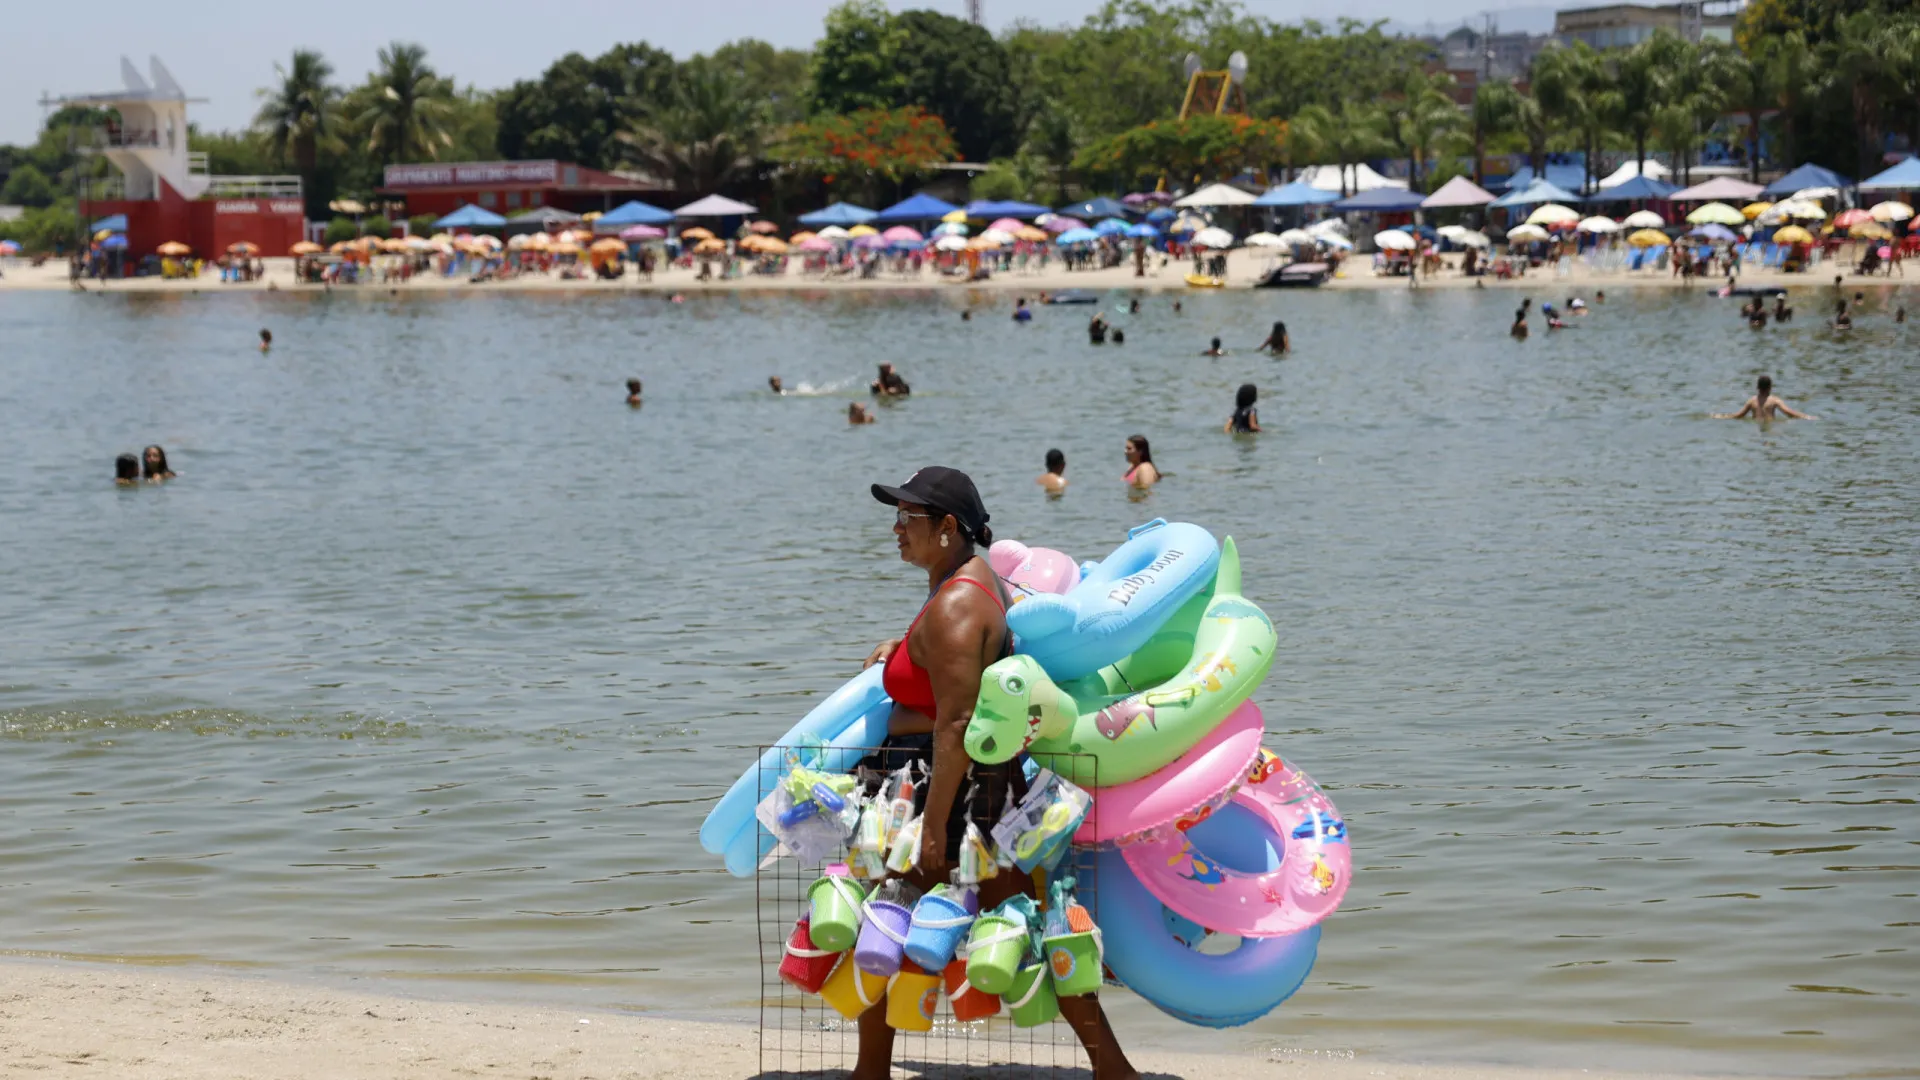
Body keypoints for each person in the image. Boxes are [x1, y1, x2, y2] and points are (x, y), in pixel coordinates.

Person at [858, 468, 1135, 1080]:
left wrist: (933, 828)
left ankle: (869, 1071)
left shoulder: (956, 604)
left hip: (948, 799)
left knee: (881, 923)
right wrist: (904, 650)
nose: (896, 528)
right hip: (983, 794)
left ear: (947, 527)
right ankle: (1113, 1068)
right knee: (1025, 926)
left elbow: (956, 722)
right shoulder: (973, 583)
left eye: (908, 517)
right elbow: (954, 683)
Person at [1714, 374, 1815, 420]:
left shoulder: (1751, 401)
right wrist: (1807, 417)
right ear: (1770, 387)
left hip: (1756, 429)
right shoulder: (1774, 401)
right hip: (1770, 427)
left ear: (1757, 387)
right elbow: (1789, 413)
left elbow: (1738, 416)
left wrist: (1720, 416)